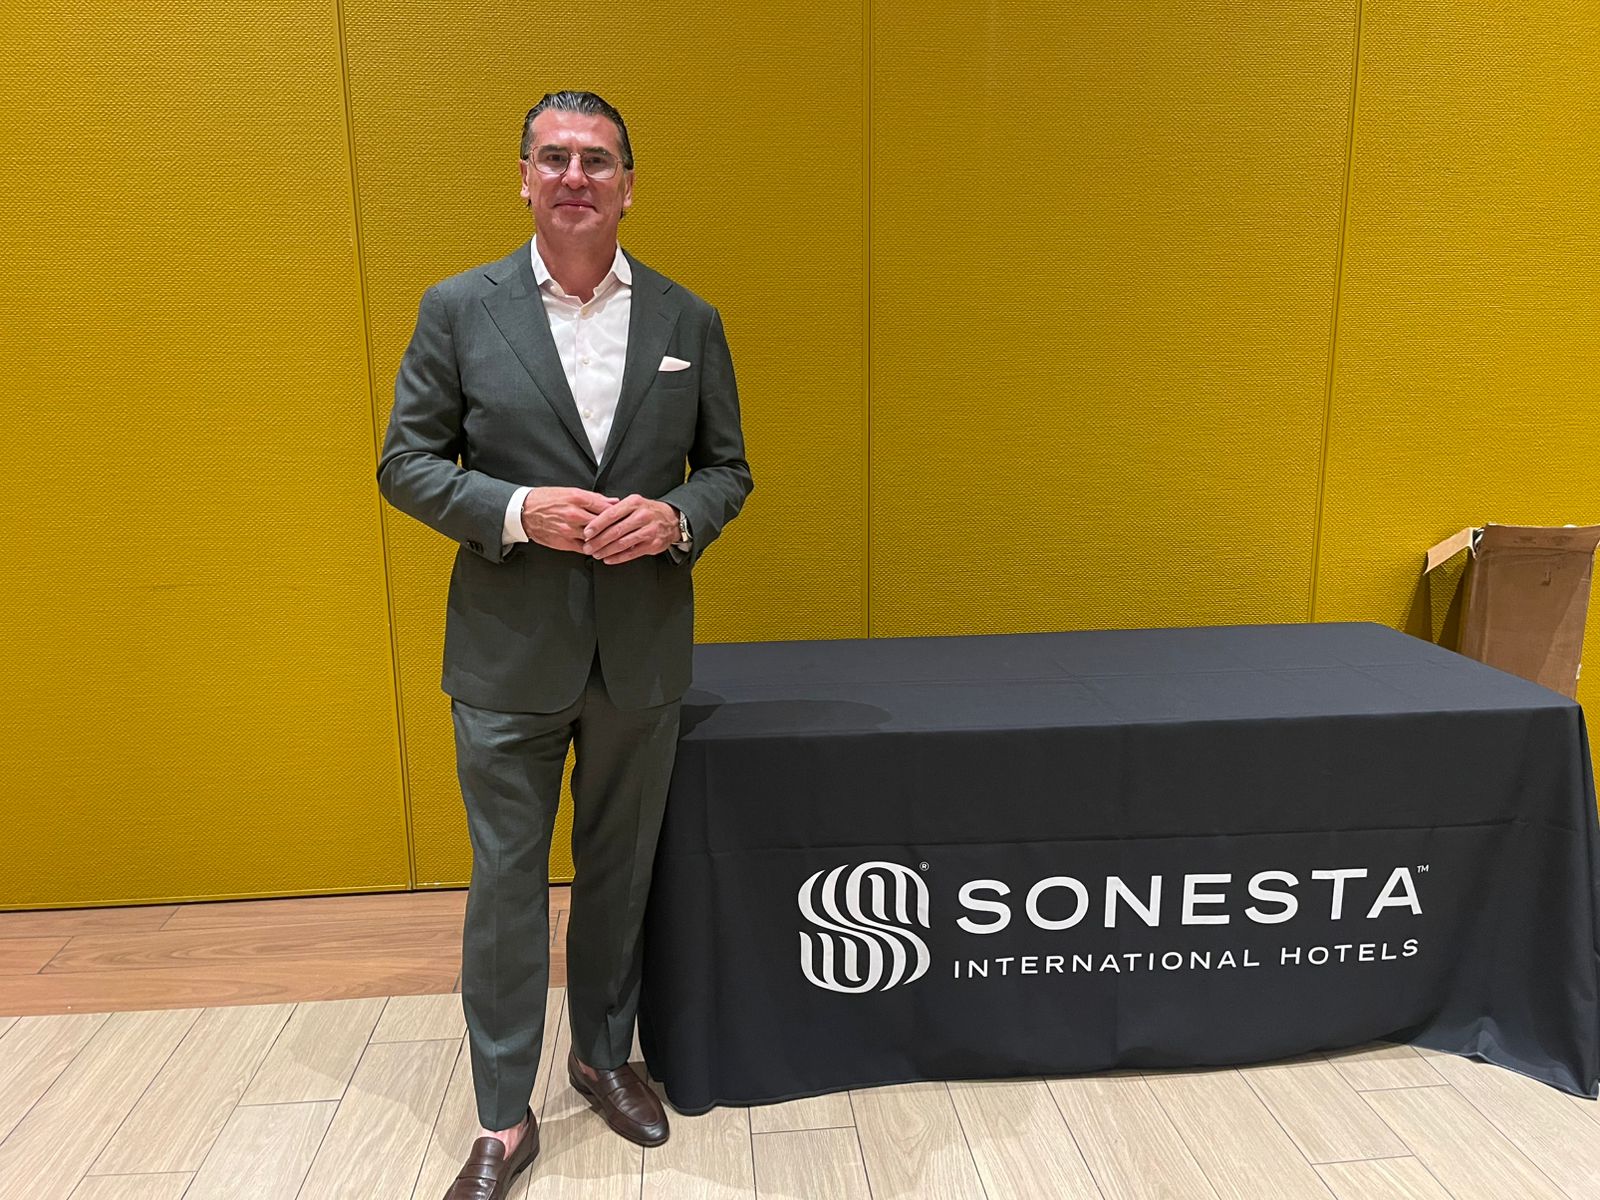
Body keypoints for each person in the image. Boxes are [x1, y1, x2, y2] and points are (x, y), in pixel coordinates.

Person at [376, 89, 752, 1199]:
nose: (575, 176)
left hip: (641, 653)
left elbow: (727, 469)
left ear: (629, 185)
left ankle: (601, 1056)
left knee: (619, 871)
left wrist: (677, 518)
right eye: (554, 158)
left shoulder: (688, 319)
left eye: (596, 159)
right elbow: (405, 463)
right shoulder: (458, 309)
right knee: (505, 886)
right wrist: (513, 509)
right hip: (506, 654)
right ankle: (501, 1115)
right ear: (525, 180)